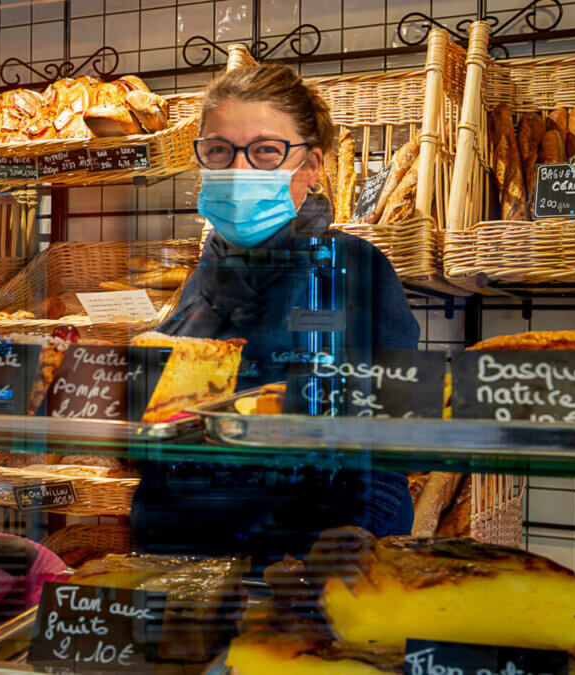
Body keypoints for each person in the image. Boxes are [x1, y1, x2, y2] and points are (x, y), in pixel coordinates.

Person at [130, 64, 421, 567]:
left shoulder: (354, 270)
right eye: (219, 150)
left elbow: (387, 461)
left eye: (265, 151)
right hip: (181, 571)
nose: (238, 171)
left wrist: (327, 580)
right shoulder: (202, 282)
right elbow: (167, 446)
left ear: (310, 167)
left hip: (298, 579)